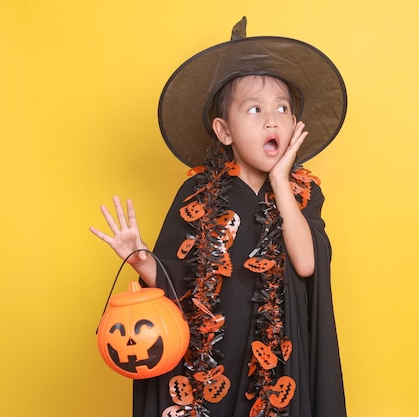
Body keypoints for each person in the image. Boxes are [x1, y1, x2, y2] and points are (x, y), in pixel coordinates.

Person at [90, 17, 348, 417]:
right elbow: (176, 284)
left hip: (275, 363)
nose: (271, 119)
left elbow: (307, 261)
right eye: (255, 109)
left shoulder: (301, 192)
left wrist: (281, 180)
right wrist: (142, 259)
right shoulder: (197, 194)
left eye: (282, 107)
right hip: (210, 362)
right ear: (224, 131)